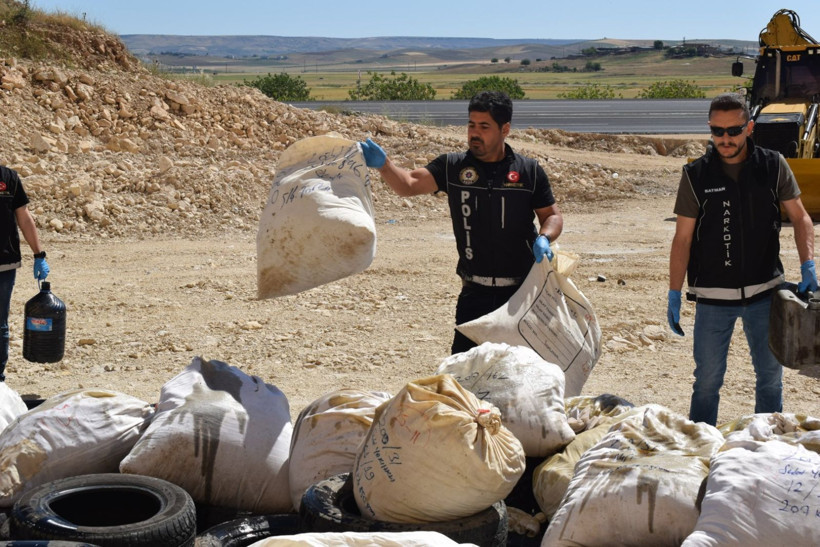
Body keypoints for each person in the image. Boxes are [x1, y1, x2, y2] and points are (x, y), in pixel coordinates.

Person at [359, 90, 563, 354]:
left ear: (505, 129)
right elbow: (408, 184)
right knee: (466, 375)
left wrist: (545, 237)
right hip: (474, 295)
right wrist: (385, 165)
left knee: (521, 373)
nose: (474, 133)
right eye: (471, 125)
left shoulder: (528, 171)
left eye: (484, 126)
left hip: (522, 294)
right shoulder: (452, 167)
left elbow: (552, 216)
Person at [667, 92, 817, 426]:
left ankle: (767, 449)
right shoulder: (695, 175)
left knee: (769, 378)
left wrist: (808, 263)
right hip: (712, 299)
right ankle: (702, 446)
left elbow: (801, 217)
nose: (725, 139)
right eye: (717, 131)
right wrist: (674, 291)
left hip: (766, 295)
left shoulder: (772, 165)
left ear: (749, 128)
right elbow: (683, 238)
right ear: (710, 129)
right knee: (706, 383)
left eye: (733, 131)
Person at [1, 164, 50, 382]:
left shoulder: (8, 177)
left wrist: (39, 255)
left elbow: (23, 216)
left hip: (4, 264)